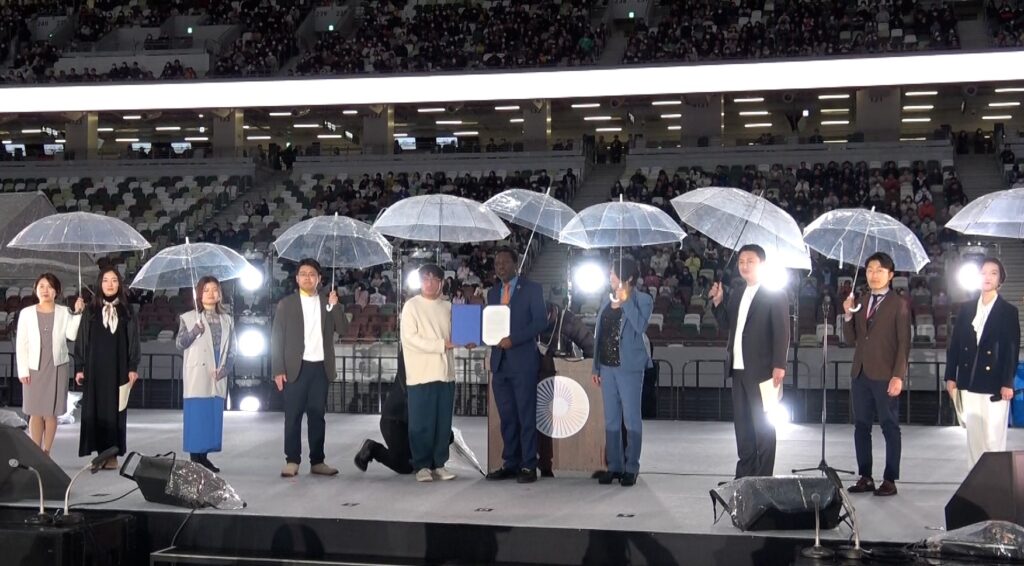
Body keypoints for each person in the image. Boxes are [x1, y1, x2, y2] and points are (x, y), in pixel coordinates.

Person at [710, 244, 790, 479]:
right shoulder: (737, 292)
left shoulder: (774, 293)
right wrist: (718, 302)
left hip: (764, 370)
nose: (744, 265)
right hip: (738, 369)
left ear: (762, 264)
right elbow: (727, 324)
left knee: (764, 426)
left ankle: (763, 476)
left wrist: (779, 365)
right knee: (743, 425)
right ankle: (744, 473)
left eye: (750, 261)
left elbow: (782, 331)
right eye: (741, 261)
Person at [271, 258, 348, 478]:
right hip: (296, 367)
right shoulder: (287, 304)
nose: (307, 277)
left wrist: (336, 306)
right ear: (297, 279)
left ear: (319, 279)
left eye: (312, 274)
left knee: (317, 415)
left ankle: (318, 461)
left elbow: (342, 328)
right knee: (292, 416)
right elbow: (276, 338)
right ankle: (292, 460)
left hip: (320, 367)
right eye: (303, 274)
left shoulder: (327, 302)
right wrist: (278, 369)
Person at [842, 252, 911, 497]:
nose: (873, 274)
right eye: (870, 270)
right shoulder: (861, 300)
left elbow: (904, 344)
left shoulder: (899, 304)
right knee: (861, 427)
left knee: (889, 427)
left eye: (879, 270)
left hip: (885, 374)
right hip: (860, 373)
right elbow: (852, 339)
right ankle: (865, 476)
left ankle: (890, 478)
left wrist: (898, 376)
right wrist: (848, 315)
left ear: (890, 275)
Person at [944, 258, 1021, 469]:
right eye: (983, 272)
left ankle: (994, 489)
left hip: (995, 384)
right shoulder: (967, 309)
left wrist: (1008, 382)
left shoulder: (1008, 311)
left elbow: (1011, 350)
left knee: (993, 440)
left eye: (993, 273)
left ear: (1000, 279)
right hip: (969, 381)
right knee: (973, 439)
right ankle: (974, 489)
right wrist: (950, 376)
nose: (987, 277)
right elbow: (956, 344)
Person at [484, 248, 547, 484]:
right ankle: (511, 462)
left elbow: (540, 322)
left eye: (504, 262)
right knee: (507, 417)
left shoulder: (532, 290)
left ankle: (529, 465)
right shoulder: (491, 293)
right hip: (499, 364)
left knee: (525, 416)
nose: (499, 266)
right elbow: (489, 327)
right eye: (496, 262)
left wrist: (515, 339)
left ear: (515, 264)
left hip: (523, 362)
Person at [591, 258, 653, 487]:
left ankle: (632, 466)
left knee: (631, 419)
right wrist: (595, 366)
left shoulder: (643, 300)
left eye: (613, 274)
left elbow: (640, 326)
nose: (609, 277)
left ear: (627, 278)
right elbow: (600, 335)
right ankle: (614, 466)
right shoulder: (606, 302)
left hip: (629, 368)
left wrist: (625, 300)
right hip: (607, 367)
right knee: (611, 420)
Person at [399, 264, 464, 482]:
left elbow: (459, 334)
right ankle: (422, 465)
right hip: (421, 373)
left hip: (445, 373)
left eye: (434, 279)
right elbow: (411, 339)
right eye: (425, 279)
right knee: (421, 423)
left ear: (442, 282)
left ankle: (439, 463)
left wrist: (467, 340)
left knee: (442, 423)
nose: (429, 283)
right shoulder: (411, 306)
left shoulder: (448, 307)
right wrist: (441, 344)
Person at [75, 267, 141, 469]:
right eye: (105, 280)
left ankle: (112, 454)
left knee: (115, 410)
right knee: (94, 410)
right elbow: (82, 339)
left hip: (118, 368)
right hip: (95, 368)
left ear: (119, 284)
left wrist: (132, 366)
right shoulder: (90, 310)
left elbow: (133, 341)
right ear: (99, 283)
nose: (110, 284)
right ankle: (99, 454)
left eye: (114, 280)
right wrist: (80, 366)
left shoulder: (128, 311)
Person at [16, 274, 84, 454]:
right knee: (35, 411)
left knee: (51, 412)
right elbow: (21, 343)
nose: (45, 290)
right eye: (41, 286)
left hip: (57, 366)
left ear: (56, 291)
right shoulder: (27, 313)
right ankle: (36, 451)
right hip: (33, 367)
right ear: (35, 289)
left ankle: (47, 451)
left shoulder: (64, 312)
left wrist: (77, 313)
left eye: (49, 287)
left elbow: (72, 335)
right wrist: (23, 369)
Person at [176, 276, 235, 473]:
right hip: (198, 370)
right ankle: (196, 457)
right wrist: (194, 332)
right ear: (199, 293)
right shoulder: (189, 317)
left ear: (220, 294)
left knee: (211, 413)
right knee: (197, 413)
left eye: (214, 289)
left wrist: (225, 368)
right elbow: (180, 344)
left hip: (217, 368)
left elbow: (232, 348)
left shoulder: (227, 319)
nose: (211, 293)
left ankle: (205, 456)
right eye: (206, 289)